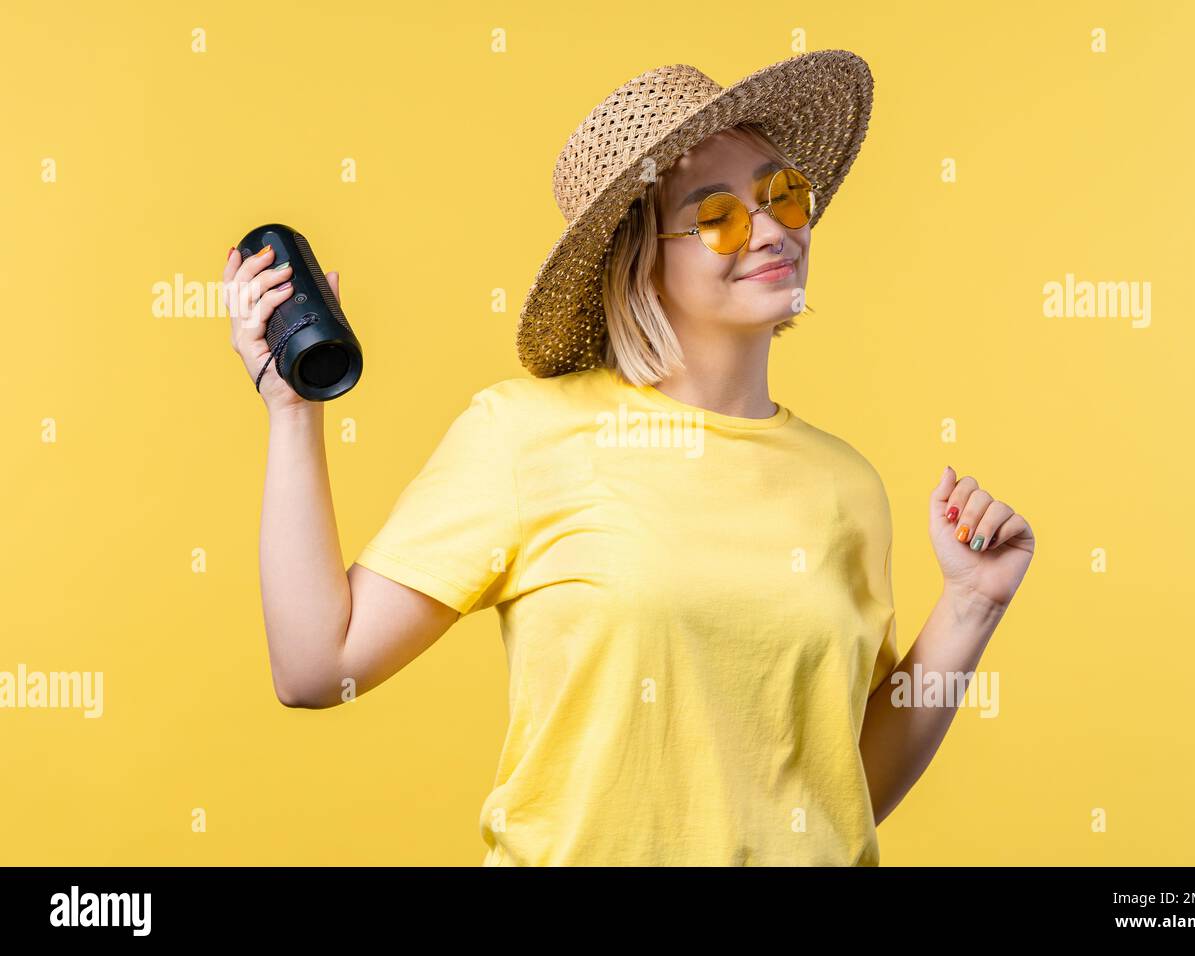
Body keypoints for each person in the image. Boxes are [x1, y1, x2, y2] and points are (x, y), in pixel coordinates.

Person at [223, 50, 1035, 866]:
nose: (771, 230)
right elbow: (317, 668)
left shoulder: (846, 484)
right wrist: (292, 411)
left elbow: (841, 786)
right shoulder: (523, 435)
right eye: (717, 214)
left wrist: (971, 606)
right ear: (642, 256)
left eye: (781, 194)